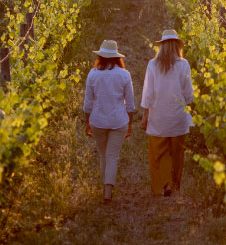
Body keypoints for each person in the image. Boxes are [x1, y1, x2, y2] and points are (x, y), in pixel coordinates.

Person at [141, 29, 194, 197]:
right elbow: (189, 94)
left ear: (162, 46)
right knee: (177, 152)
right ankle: (174, 183)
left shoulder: (152, 64)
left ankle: (165, 183)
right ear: (177, 46)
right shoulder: (183, 64)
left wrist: (145, 114)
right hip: (178, 115)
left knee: (159, 151)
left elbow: (148, 93)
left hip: (158, 115)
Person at [83, 39, 135, 203]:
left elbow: (87, 104)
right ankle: (108, 190)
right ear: (117, 57)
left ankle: (106, 187)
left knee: (103, 154)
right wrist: (130, 123)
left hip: (98, 120)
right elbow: (131, 104)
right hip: (118, 120)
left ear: (100, 57)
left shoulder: (93, 74)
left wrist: (87, 122)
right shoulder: (124, 75)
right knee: (112, 155)